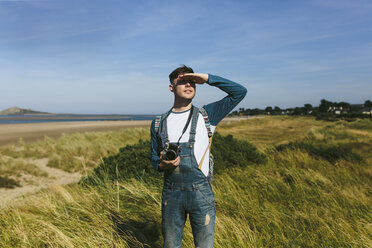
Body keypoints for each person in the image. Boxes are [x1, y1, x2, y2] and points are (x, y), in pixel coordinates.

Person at [150, 65, 246, 248]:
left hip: (201, 192)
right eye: (182, 81)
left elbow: (239, 92)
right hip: (171, 193)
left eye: (192, 81)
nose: (188, 85)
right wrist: (163, 164)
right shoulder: (158, 122)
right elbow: (154, 159)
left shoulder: (208, 115)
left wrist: (207, 78)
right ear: (171, 87)